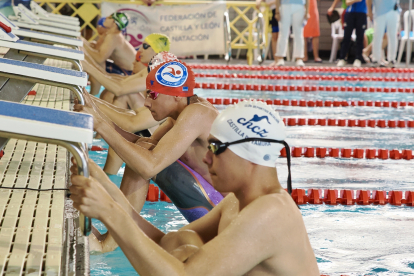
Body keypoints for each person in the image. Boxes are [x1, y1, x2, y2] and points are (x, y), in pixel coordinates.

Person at [69, 100, 320, 275]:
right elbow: (165, 243)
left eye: (215, 148)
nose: (206, 158)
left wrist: (111, 214)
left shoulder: (271, 213)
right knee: (184, 246)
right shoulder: (236, 203)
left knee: (187, 256)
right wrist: (105, 186)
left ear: (248, 154)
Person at [76, 59, 226, 252]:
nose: (146, 103)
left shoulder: (197, 113)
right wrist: (92, 106)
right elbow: (135, 144)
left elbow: (148, 166)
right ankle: (112, 237)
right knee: (143, 147)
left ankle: (109, 244)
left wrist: (102, 126)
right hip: (206, 204)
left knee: (144, 157)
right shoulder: (181, 114)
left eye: (152, 95)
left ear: (176, 97)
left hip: (219, 215)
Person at [82, 33, 170, 106]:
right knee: (115, 89)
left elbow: (119, 89)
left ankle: (104, 122)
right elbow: (121, 81)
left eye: (145, 46)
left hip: (150, 122)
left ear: (157, 52)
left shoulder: (157, 74)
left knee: (126, 94)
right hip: (145, 115)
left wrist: (89, 67)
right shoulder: (150, 69)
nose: (140, 50)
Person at [82, 12, 136, 95]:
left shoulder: (114, 37)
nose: (106, 17)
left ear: (114, 24)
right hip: (126, 70)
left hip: (128, 74)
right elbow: (96, 51)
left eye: (110, 17)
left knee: (97, 66)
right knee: (93, 62)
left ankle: (92, 96)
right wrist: (86, 45)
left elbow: (99, 58)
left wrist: (83, 44)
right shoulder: (111, 34)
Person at [274, 0, 309, 67]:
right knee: (283, 32)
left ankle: (299, 58)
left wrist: (307, 12)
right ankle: (280, 58)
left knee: (299, 33)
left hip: (300, 6)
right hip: (284, 5)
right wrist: (277, 11)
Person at [366, 0, 400, 67]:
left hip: (393, 11)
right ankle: (375, 59)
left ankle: (392, 60)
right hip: (379, 12)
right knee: (377, 36)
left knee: (392, 35)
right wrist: (369, 11)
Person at [337, 0, 367, 68]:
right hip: (350, 13)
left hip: (361, 13)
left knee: (360, 37)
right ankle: (342, 58)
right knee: (346, 36)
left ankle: (358, 58)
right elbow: (347, 2)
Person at [256, 0, 279, 66]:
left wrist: (273, 2)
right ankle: (276, 60)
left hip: (282, 10)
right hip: (272, 12)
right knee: (274, 36)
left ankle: (279, 59)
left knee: (280, 36)